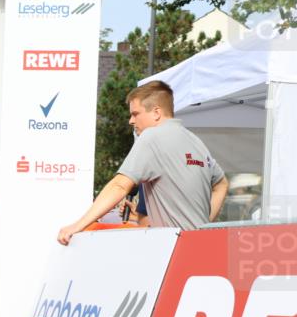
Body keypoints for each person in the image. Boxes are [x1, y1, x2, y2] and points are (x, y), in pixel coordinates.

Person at [58, 80, 228, 244]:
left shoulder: (152, 136)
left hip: (172, 250)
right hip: (199, 246)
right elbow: (222, 185)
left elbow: (119, 186)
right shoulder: (196, 142)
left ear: (156, 113)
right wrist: (201, 225)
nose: (131, 121)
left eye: (135, 114)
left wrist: (78, 226)